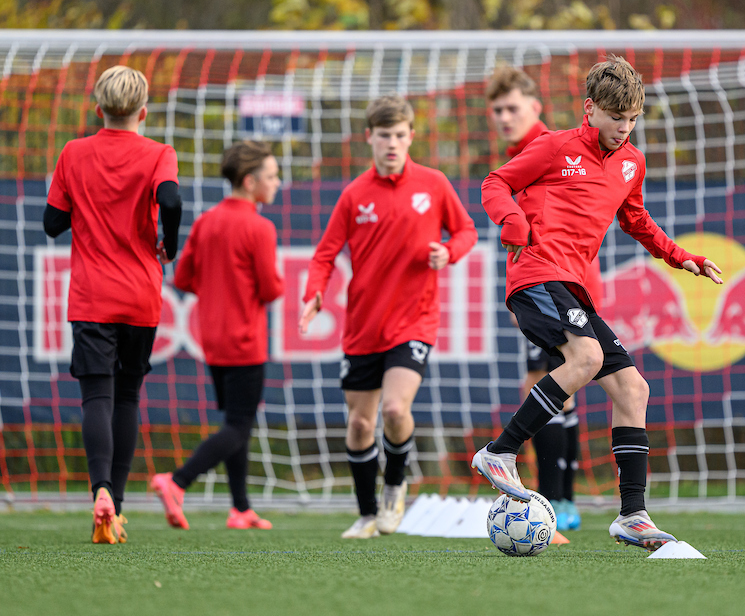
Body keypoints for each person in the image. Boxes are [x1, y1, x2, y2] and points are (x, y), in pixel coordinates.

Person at [472, 55, 724, 550]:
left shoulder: (632, 162)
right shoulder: (554, 146)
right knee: (584, 358)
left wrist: (681, 258)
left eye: (632, 120)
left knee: (634, 391)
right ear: (590, 108)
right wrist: (511, 220)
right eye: (616, 118)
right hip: (537, 275)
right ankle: (499, 453)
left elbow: (636, 220)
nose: (624, 129)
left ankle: (632, 515)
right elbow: (495, 182)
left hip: (575, 288)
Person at [299, 94, 478, 539]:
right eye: (384, 136)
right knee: (360, 423)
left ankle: (395, 488)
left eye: (400, 135)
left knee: (396, 409)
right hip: (363, 326)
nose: (393, 144)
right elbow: (324, 255)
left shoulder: (433, 184)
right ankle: (366, 515)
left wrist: (448, 251)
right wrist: (313, 294)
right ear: (370, 139)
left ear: (411, 136)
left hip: (414, 321)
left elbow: (466, 230)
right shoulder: (354, 195)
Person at [43, 65, 182, 544]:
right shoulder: (159, 153)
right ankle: (116, 508)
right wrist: (171, 240)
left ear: (98, 108)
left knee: (96, 397)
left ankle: (99, 490)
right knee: (128, 396)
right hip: (140, 294)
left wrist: (86, 203)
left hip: (91, 296)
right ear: (143, 112)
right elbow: (171, 198)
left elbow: (52, 223)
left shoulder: (74, 152)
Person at [486, 65, 601, 531]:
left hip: (560, 284)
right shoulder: (523, 152)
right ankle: (563, 501)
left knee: (552, 378)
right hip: (548, 283)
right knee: (559, 384)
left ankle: (555, 500)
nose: (503, 116)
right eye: (496, 110)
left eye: (512, 107)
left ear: (536, 106)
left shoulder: (548, 146)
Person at [151, 141, 284, 531]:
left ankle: (241, 508)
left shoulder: (208, 221)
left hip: (212, 339)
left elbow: (184, 277)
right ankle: (177, 481)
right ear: (249, 181)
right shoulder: (259, 226)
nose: (277, 183)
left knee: (233, 422)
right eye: (272, 176)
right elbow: (271, 289)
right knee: (239, 426)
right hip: (246, 339)